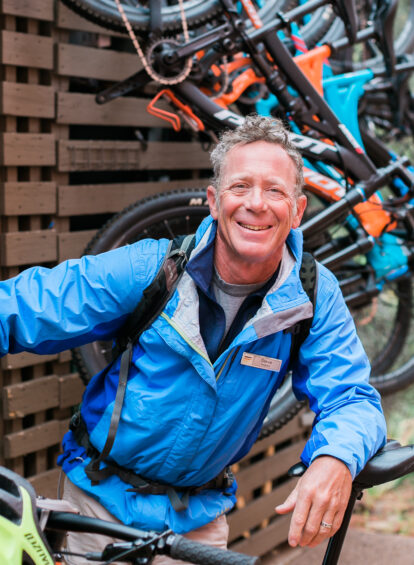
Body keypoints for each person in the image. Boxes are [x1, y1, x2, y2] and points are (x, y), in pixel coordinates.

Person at [0, 115, 386, 563]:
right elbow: (29, 305)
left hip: (197, 522)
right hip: (97, 505)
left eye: (275, 190)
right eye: (240, 187)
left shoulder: (314, 294)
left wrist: (337, 457)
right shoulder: (154, 269)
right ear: (213, 201)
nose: (256, 204)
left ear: (298, 210)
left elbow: (353, 397)